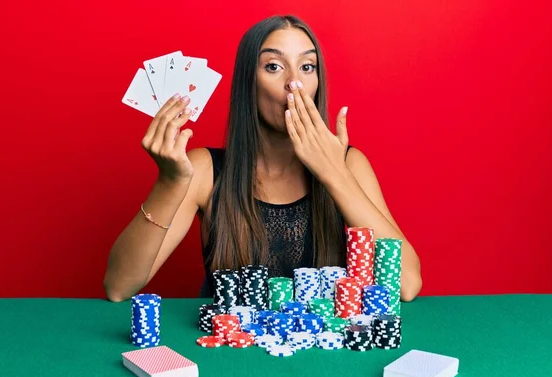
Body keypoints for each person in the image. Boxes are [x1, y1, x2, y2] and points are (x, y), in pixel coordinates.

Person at [104, 15, 422, 303]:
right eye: (273, 66)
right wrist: (169, 181)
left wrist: (333, 173)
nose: (293, 83)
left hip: (321, 358)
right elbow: (119, 286)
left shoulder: (349, 164)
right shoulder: (204, 170)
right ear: (248, 83)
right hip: (230, 356)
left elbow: (407, 284)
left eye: (307, 67)